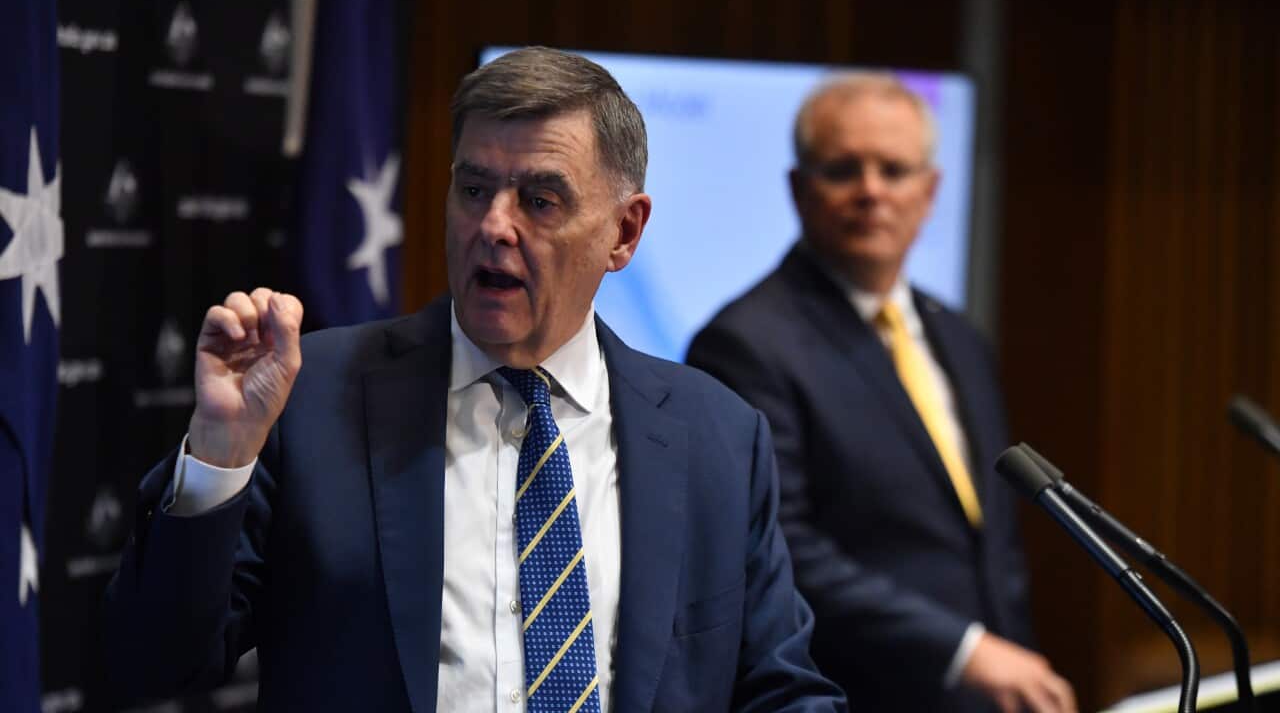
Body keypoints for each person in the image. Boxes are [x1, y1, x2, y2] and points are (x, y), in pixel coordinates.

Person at [102, 47, 845, 713]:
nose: (493, 225)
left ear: (623, 232)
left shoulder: (718, 436)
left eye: (540, 201)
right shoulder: (310, 396)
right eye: (474, 189)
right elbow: (156, 660)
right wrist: (221, 454)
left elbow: (781, 688)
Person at [686, 74, 1076, 713]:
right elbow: (780, 545)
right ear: (799, 188)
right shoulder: (745, 342)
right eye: (844, 169)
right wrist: (963, 650)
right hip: (851, 695)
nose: (871, 191)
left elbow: (990, 542)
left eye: (894, 170)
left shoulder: (959, 338)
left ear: (930, 191)